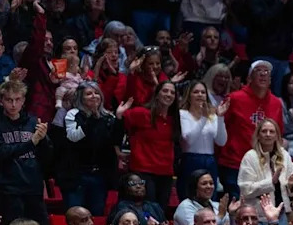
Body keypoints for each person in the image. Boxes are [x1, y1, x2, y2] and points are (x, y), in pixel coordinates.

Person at [219, 60, 284, 200]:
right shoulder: (234, 98)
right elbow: (219, 129)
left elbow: (278, 135)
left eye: (266, 72)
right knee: (237, 207)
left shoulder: (276, 103)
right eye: (258, 71)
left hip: (263, 165)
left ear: (271, 80)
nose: (262, 74)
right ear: (249, 78)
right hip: (234, 163)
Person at [61, 81, 127, 215]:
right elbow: (73, 137)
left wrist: (119, 118)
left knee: (96, 214)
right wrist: (92, 119)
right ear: (81, 97)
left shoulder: (108, 117)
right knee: (75, 215)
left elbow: (116, 141)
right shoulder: (73, 114)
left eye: (96, 93)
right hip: (77, 175)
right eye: (89, 94)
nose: (94, 96)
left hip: (100, 175)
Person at [0, 79, 51, 225]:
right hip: (9, 189)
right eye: (9, 100)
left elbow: (47, 155)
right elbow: (2, 153)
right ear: (1, 101)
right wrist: (32, 142)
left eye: (17, 100)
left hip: (33, 186)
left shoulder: (33, 122)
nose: (13, 104)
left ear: (23, 100)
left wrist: (43, 140)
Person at [238, 118, 293, 225]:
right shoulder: (250, 157)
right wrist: (271, 182)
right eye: (264, 131)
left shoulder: (284, 155)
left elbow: (292, 188)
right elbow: (246, 189)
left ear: (277, 136)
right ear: (258, 135)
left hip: (281, 214)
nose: (268, 134)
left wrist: (291, 185)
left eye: (272, 131)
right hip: (259, 217)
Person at [123, 80, 180, 208]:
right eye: (165, 91)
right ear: (157, 94)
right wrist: (117, 150)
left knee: (160, 212)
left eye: (172, 92)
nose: (169, 94)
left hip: (166, 173)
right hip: (143, 170)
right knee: (146, 211)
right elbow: (120, 123)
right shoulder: (142, 113)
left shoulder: (175, 119)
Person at [178, 79, 228, 201]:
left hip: (210, 161)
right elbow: (188, 139)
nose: (200, 95)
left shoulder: (213, 116)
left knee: (209, 198)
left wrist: (220, 118)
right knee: (189, 196)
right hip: (190, 159)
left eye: (203, 92)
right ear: (189, 95)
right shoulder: (183, 114)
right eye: (196, 92)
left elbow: (221, 141)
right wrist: (203, 118)